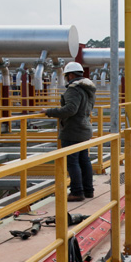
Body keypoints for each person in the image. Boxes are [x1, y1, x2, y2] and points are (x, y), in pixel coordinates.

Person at [44, 61, 96, 201]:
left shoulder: (74, 89)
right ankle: (88, 190)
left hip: (73, 131)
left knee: (73, 162)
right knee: (84, 160)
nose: (66, 78)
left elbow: (70, 110)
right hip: (84, 129)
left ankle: (77, 192)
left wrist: (49, 111)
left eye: (66, 75)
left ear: (71, 75)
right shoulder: (88, 89)